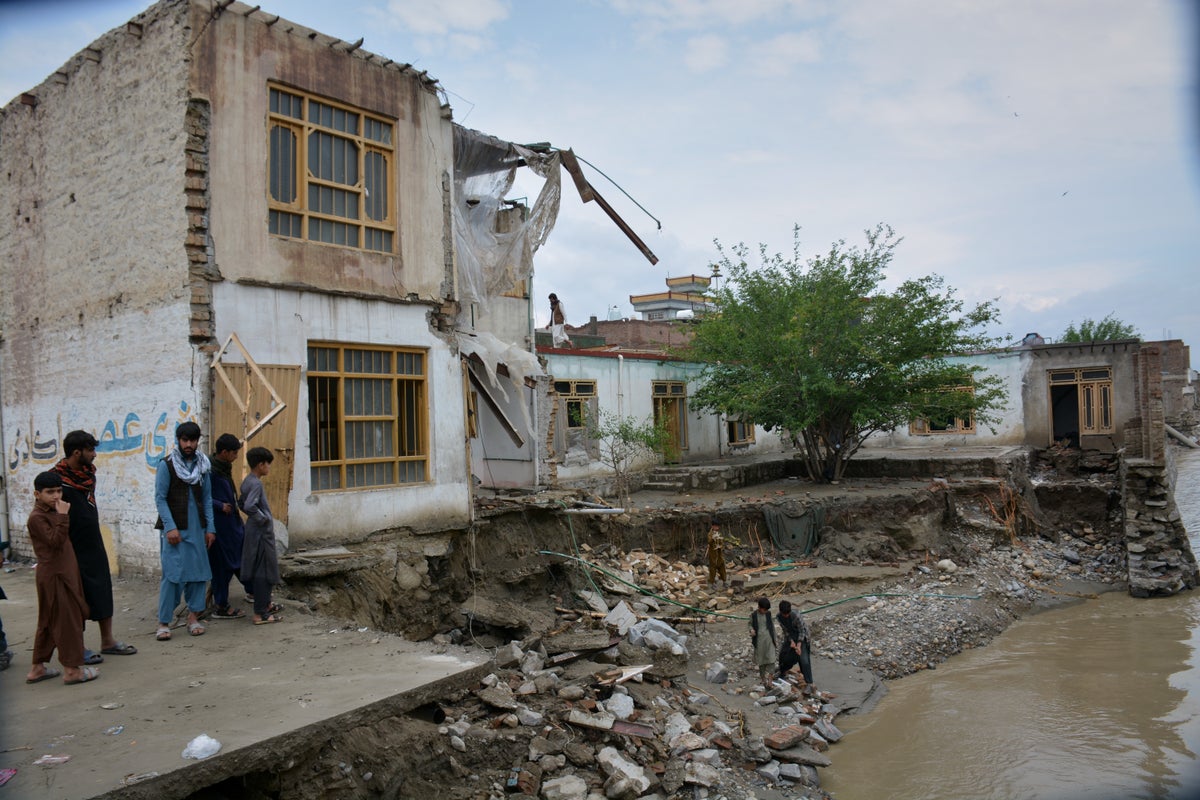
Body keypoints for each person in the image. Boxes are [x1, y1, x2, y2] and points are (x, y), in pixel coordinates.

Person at [53, 430, 137, 661]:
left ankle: (107, 640)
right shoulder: (56, 481)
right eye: (90, 450)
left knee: (102, 591)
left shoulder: (88, 475)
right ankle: (77, 647)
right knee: (74, 598)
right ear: (76, 452)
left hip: (92, 543)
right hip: (70, 547)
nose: (94, 455)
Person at [25, 471, 98, 686]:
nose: (56, 496)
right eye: (50, 492)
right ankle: (72, 671)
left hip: (63, 573)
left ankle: (37, 668)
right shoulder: (37, 517)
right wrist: (63, 516)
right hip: (55, 577)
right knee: (67, 623)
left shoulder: (52, 512)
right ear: (37, 494)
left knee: (49, 621)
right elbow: (55, 542)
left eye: (58, 491)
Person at [154, 421, 216, 641]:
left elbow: (207, 499)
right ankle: (164, 622)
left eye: (192, 440)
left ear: (198, 441)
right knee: (172, 575)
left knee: (198, 574)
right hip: (175, 531)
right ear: (178, 440)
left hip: (198, 529)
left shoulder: (203, 465)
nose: (188, 444)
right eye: (185, 440)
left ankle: (193, 618)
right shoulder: (167, 465)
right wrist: (170, 527)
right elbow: (160, 499)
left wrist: (211, 528)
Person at [208, 433, 250, 619]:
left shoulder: (224, 469)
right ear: (224, 452)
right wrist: (219, 505)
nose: (236, 457)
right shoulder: (210, 472)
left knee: (238, 560)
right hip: (219, 527)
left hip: (232, 525)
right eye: (234, 453)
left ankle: (254, 592)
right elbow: (200, 498)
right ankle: (221, 605)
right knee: (222, 567)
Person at [241, 447, 282, 625]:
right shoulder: (256, 484)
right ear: (260, 465)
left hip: (253, 530)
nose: (269, 468)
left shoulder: (247, 481)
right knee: (263, 572)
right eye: (268, 464)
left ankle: (265, 606)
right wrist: (263, 518)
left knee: (259, 569)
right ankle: (260, 613)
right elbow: (249, 505)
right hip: (261, 534)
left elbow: (241, 503)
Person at [777, 599, 814, 689]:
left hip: (802, 637)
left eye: (787, 614)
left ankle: (809, 683)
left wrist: (799, 645)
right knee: (783, 655)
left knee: (804, 660)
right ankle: (782, 672)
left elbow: (802, 631)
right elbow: (785, 631)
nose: (786, 616)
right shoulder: (779, 617)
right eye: (784, 614)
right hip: (791, 636)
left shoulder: (796, 616)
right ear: (781, 612)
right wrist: (791, 641)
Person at [749, 596, 777, 690]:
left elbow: (772, 627)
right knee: (761, 662)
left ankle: (770, 681)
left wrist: (775, 639)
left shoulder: (768, 614)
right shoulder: (753, 615)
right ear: (759, 607)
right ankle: (763, 680)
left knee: (771, 660)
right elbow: (749, 625)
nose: (765, 611)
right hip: (759, 642)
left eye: (766, 610)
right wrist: (751, 630)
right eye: (764, 609)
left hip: (769, 641)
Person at [706, 521, 727, 588]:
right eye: (716, 526)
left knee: (722, 567)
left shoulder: (719, 533)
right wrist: (713, 538)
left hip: (719, 554)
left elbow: (721, 542)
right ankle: (712, 582)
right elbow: (709, 542)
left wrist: (720, 544)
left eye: (718, 526)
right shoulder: (710, 534)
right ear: (712, 526)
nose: (717, 527)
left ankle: (724, 581)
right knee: (713, 568)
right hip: (713, 554)